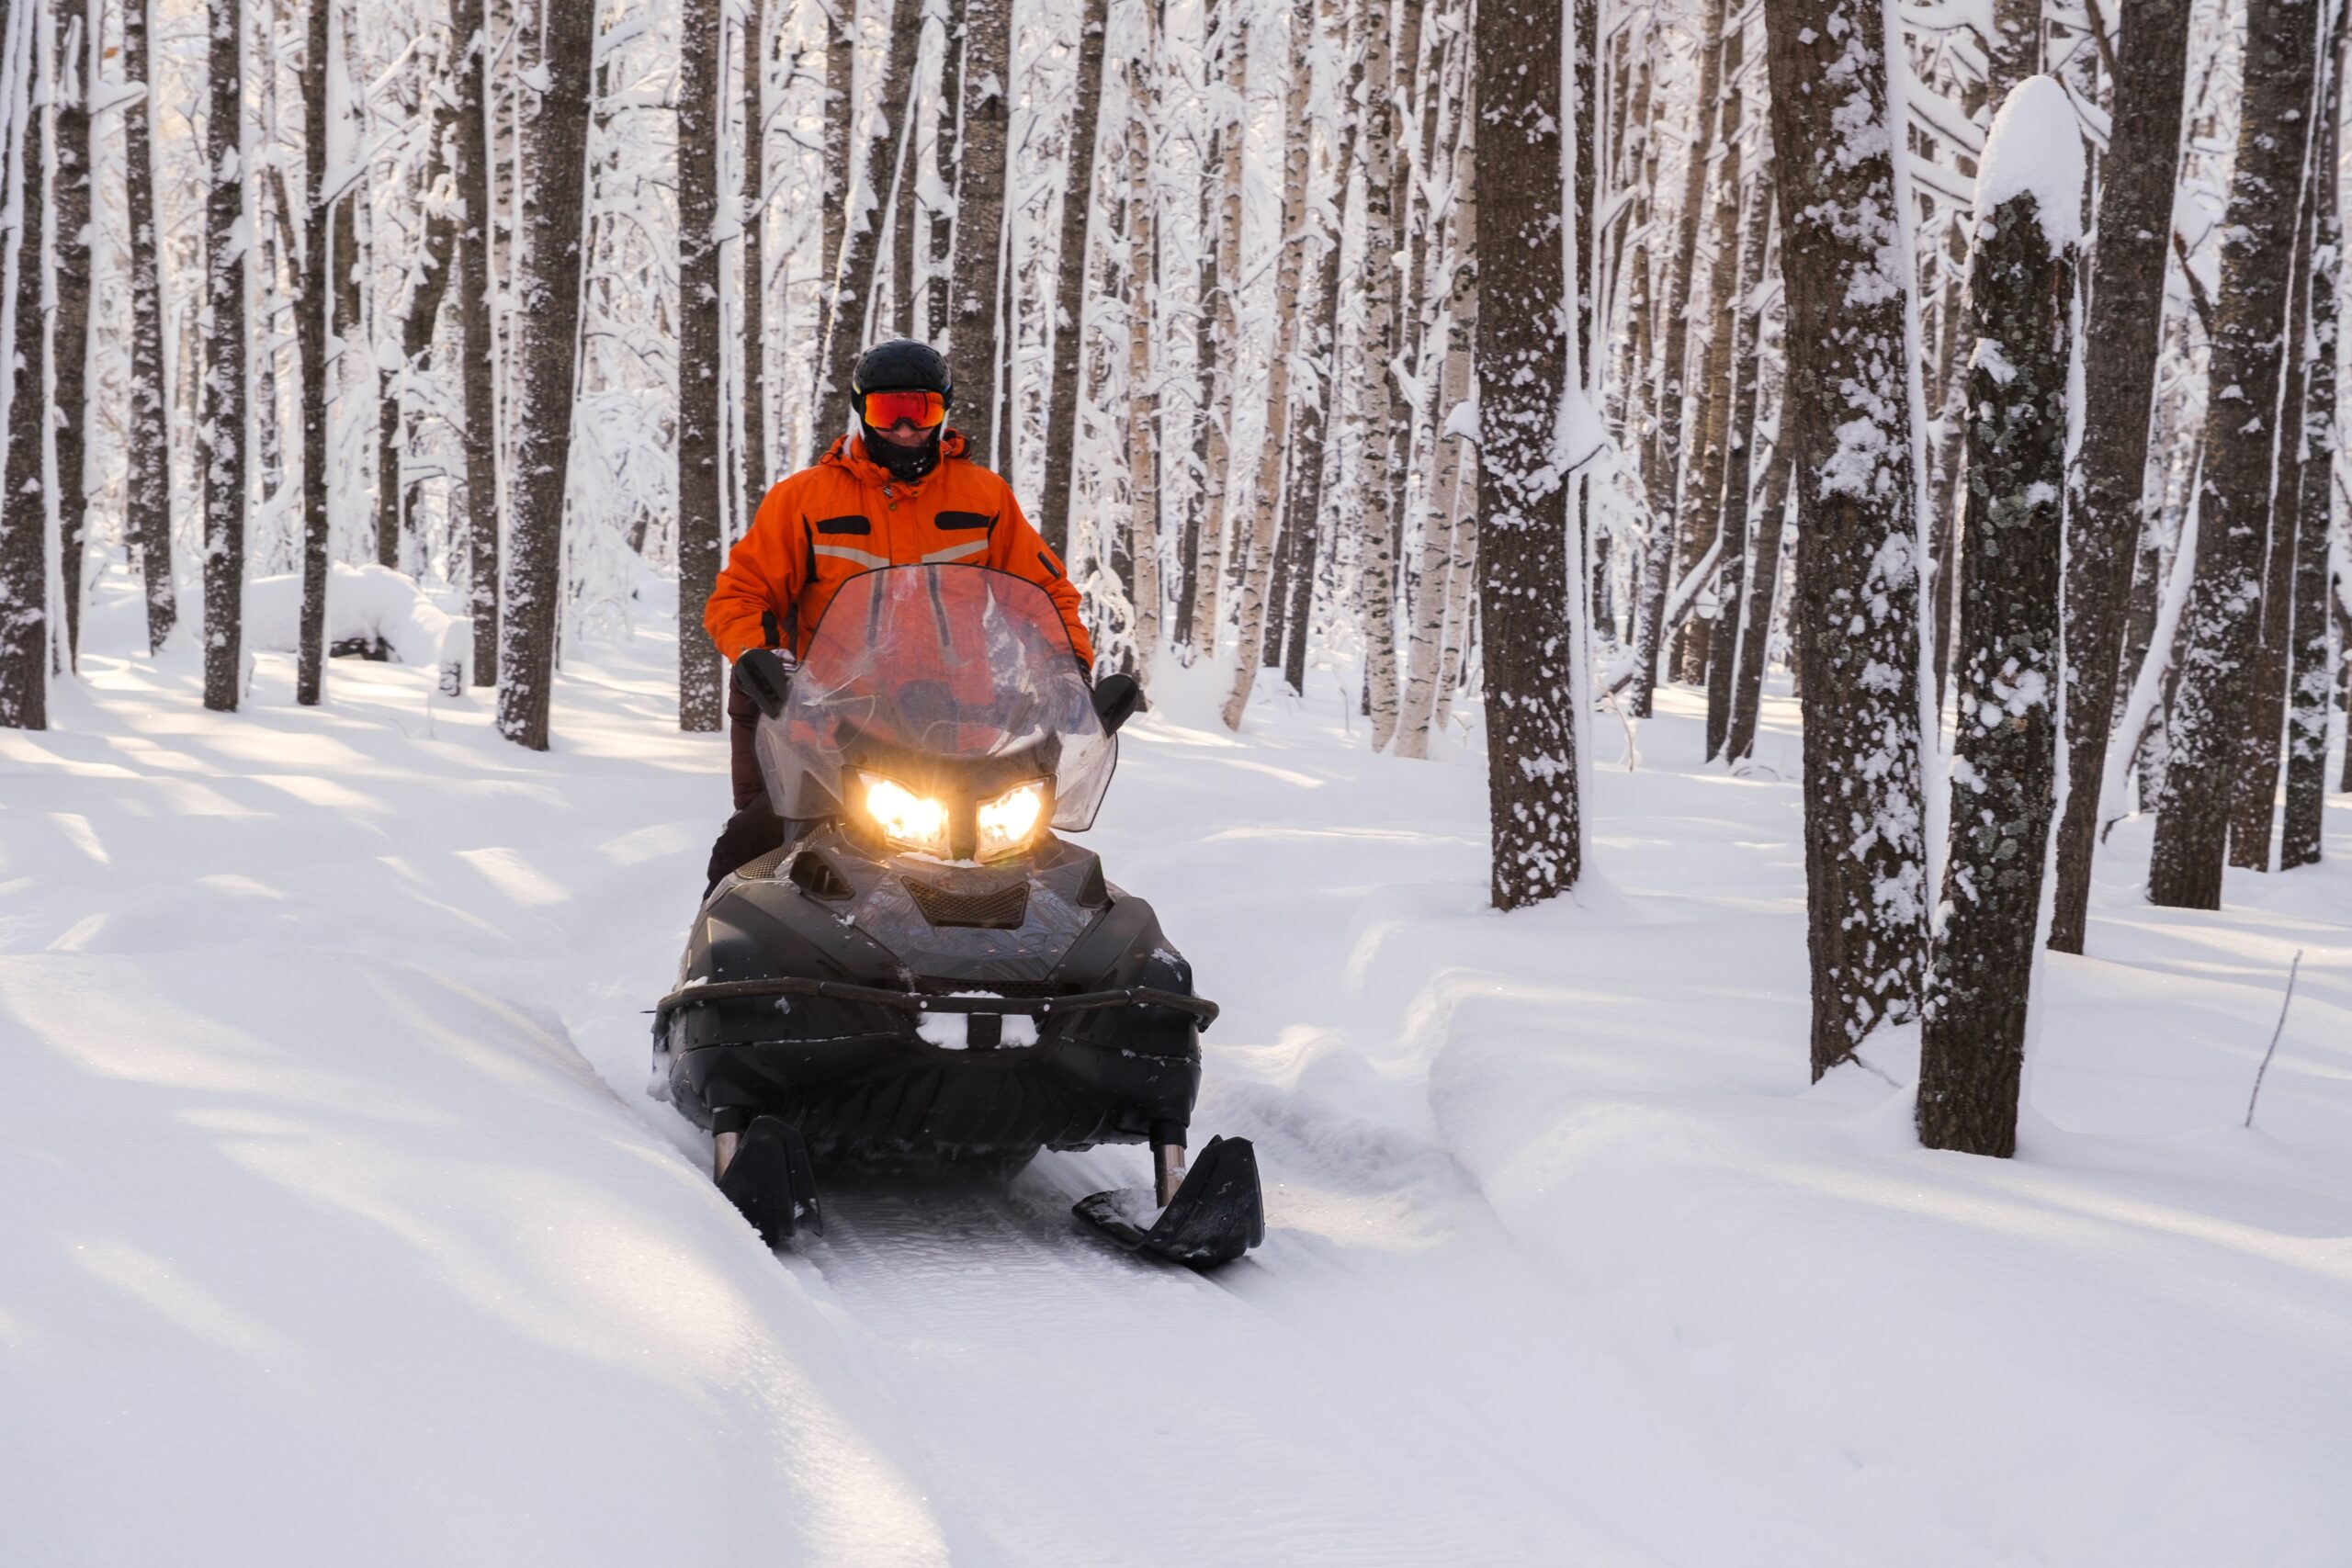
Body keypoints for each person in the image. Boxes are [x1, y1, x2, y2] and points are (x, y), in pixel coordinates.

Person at [701, 339, 1095, 893]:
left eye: (921, 410)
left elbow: (1044, 591)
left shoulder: (983, 496)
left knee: (1029, 859)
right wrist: (761, 657)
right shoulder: (804, 500)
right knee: (753, 847)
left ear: (943, 410)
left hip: (965, 727)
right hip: (836, 727)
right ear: (862, 411)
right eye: (889, 411)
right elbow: (741, 594)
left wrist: (1068, 667)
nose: (906, 428)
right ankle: (724, 940)